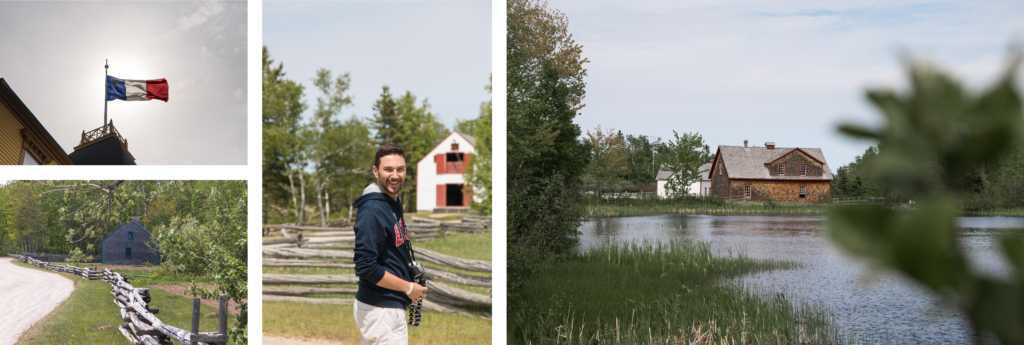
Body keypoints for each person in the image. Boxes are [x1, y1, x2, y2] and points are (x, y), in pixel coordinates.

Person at [352, 143, 428, 345]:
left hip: (386, 306)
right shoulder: (372, 209)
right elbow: (366, 267)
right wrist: (408, 288)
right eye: (388, 169)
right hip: (381, 309)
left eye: (400, 169)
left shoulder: (391, 202)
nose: (395, 175)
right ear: (375, 171)